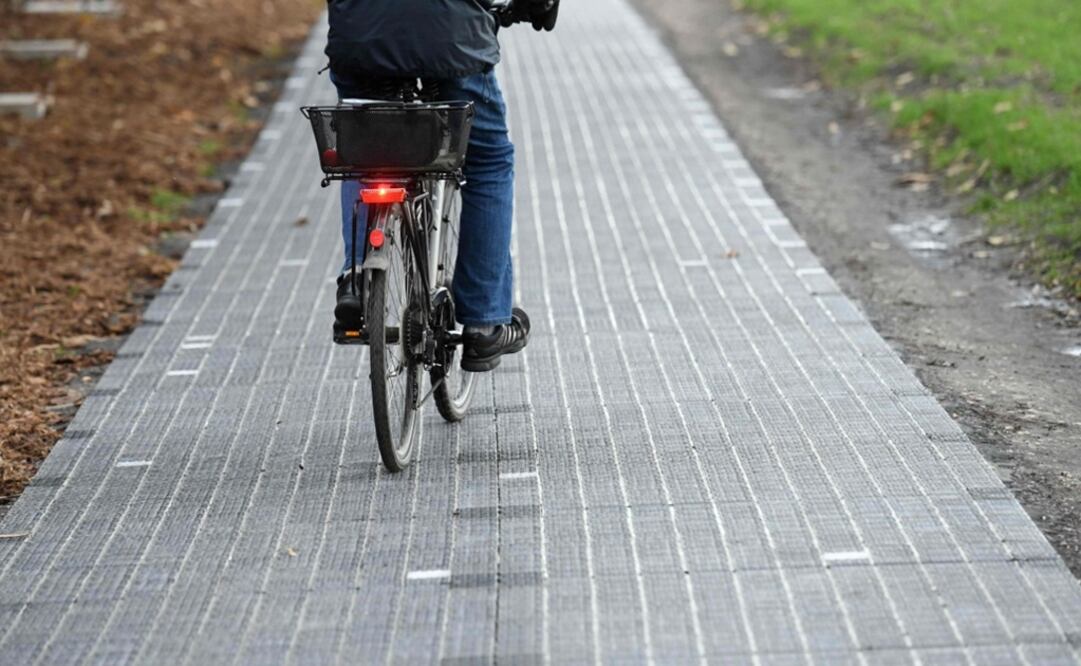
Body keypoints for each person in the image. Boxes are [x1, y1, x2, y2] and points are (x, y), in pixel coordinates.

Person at [325, 0, 559, 371]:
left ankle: (356, 280)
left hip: (362, 37)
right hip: (452, 39)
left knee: (365, 152)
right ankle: (484, 322)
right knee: (488, 161)